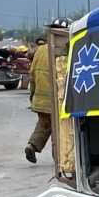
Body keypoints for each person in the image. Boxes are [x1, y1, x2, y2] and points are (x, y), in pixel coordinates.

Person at [24, 19, 68, 163]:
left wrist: (33, 96)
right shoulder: (65, 50)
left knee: (43, 125)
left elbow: (32, 75)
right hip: (57, 101)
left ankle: (32, 145)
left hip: (40, 99)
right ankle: (60, 158)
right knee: (59, 129)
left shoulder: (40, 50)